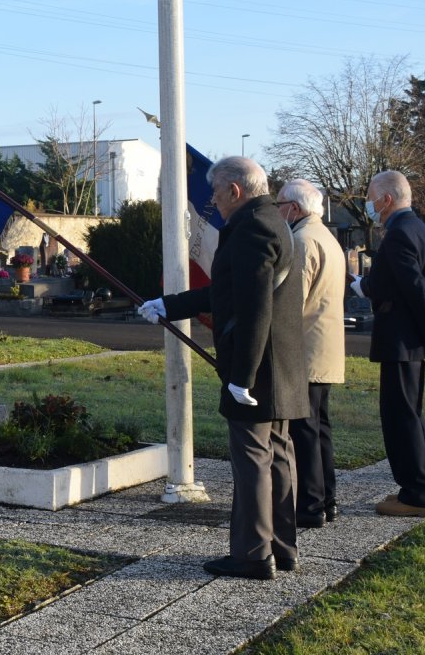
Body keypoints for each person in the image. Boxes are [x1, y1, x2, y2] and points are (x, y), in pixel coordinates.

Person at [138, 156, 308, 580]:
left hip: (258, 369)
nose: (212, 201)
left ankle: (252, 554)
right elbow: (232, 290)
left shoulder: (252, 228)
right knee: (280, 457)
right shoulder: (272, 221)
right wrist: (170, 305)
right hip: (280, 366)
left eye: (215, 193)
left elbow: (254, 309)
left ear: (234, 190)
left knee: (253, 461)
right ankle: (281, 548)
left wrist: (242, 377)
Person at [351, 170, 425, 517]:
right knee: (411, 414)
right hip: (414, 340)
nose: (370, 204)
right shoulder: (424, 232)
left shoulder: (397, 235)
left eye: (372, 196)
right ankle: (422, 488)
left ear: (386, 199)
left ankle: (418, 494)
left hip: (400, 340)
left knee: (400, 417)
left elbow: (416, 290)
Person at [276, 179, 345, 527]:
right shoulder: (327, 237)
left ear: (295, 208)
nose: (277, 212)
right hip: (326, 348)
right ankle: (327, 499)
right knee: (319, 429)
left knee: (304, 431)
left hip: (306, 349)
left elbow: (292, 301)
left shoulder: (302, 241)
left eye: (279, 206)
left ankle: (311, 505)